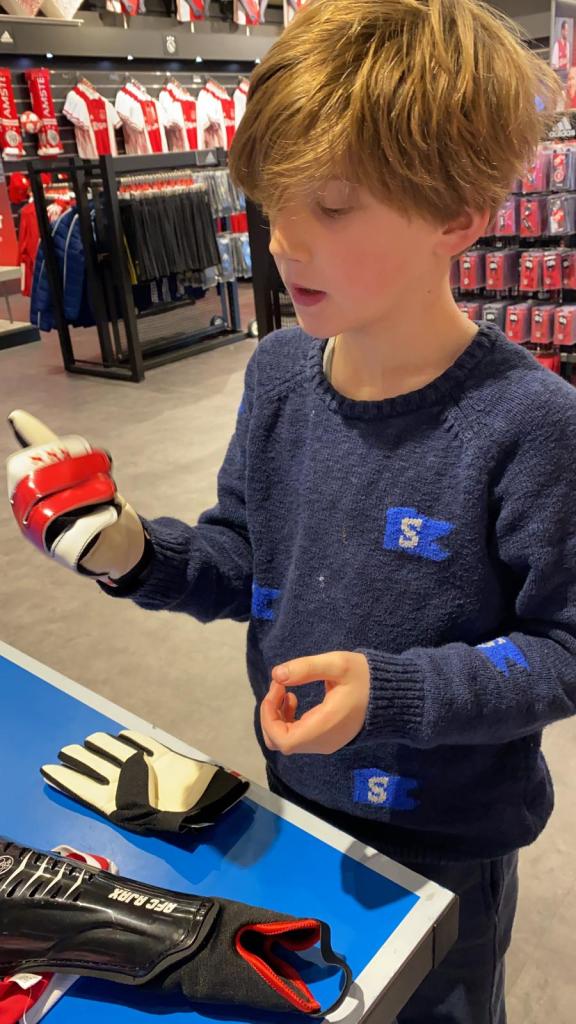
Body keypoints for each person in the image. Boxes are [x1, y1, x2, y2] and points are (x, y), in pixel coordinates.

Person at [5, 2, 572, 1022]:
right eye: (271, 205)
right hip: (295, 799)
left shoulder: (531, 423)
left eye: (335, 207)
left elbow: (564, 649)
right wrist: (132, 550)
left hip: (452, 843)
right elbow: (244, 558)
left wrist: (394, 691)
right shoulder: (277, 374)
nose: (284, 242)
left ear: (458, 216)